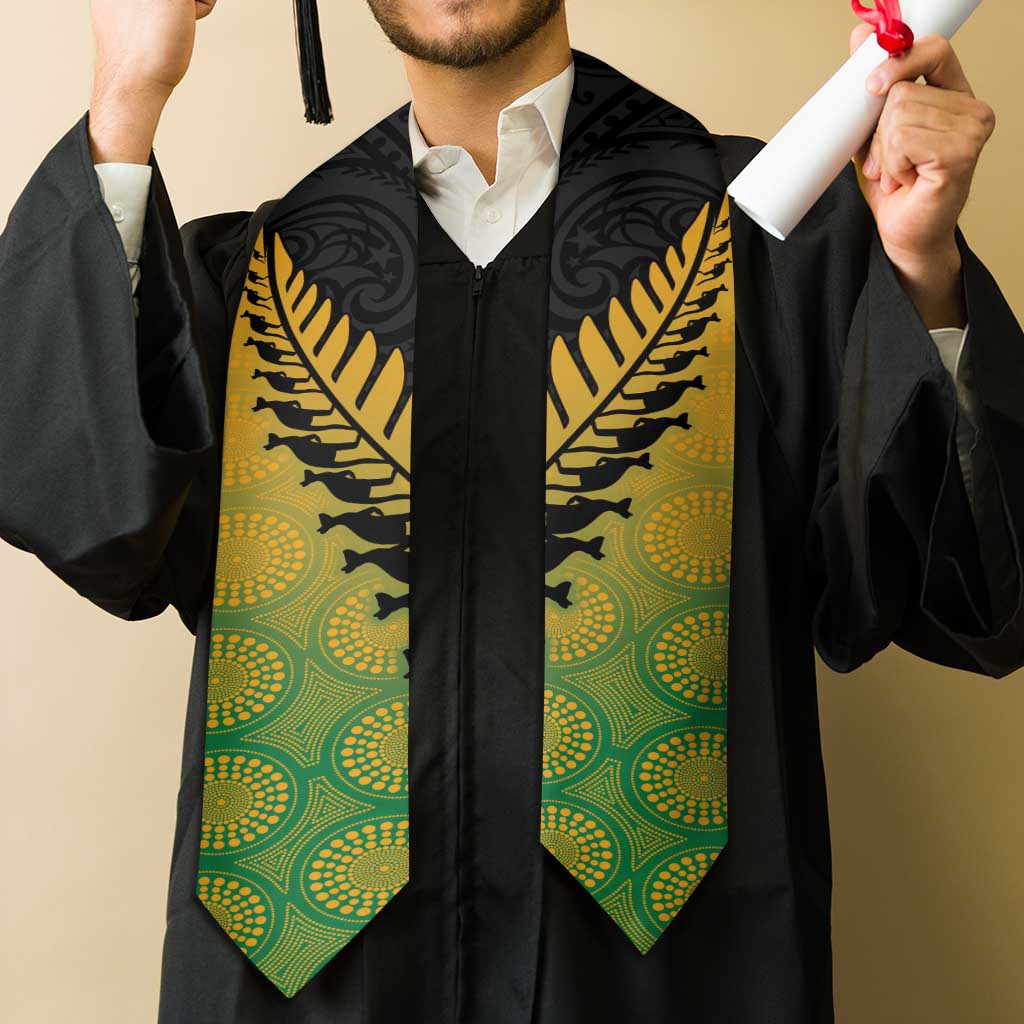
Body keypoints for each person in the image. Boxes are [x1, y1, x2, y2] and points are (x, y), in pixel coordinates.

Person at [2, 1, 1022, 1021]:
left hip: (667, 985)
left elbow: (960, 588)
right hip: (302, 991)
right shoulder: (260, 278)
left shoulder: (760, 236)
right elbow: (92, 517)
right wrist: (125, 98)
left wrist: (920, 271)